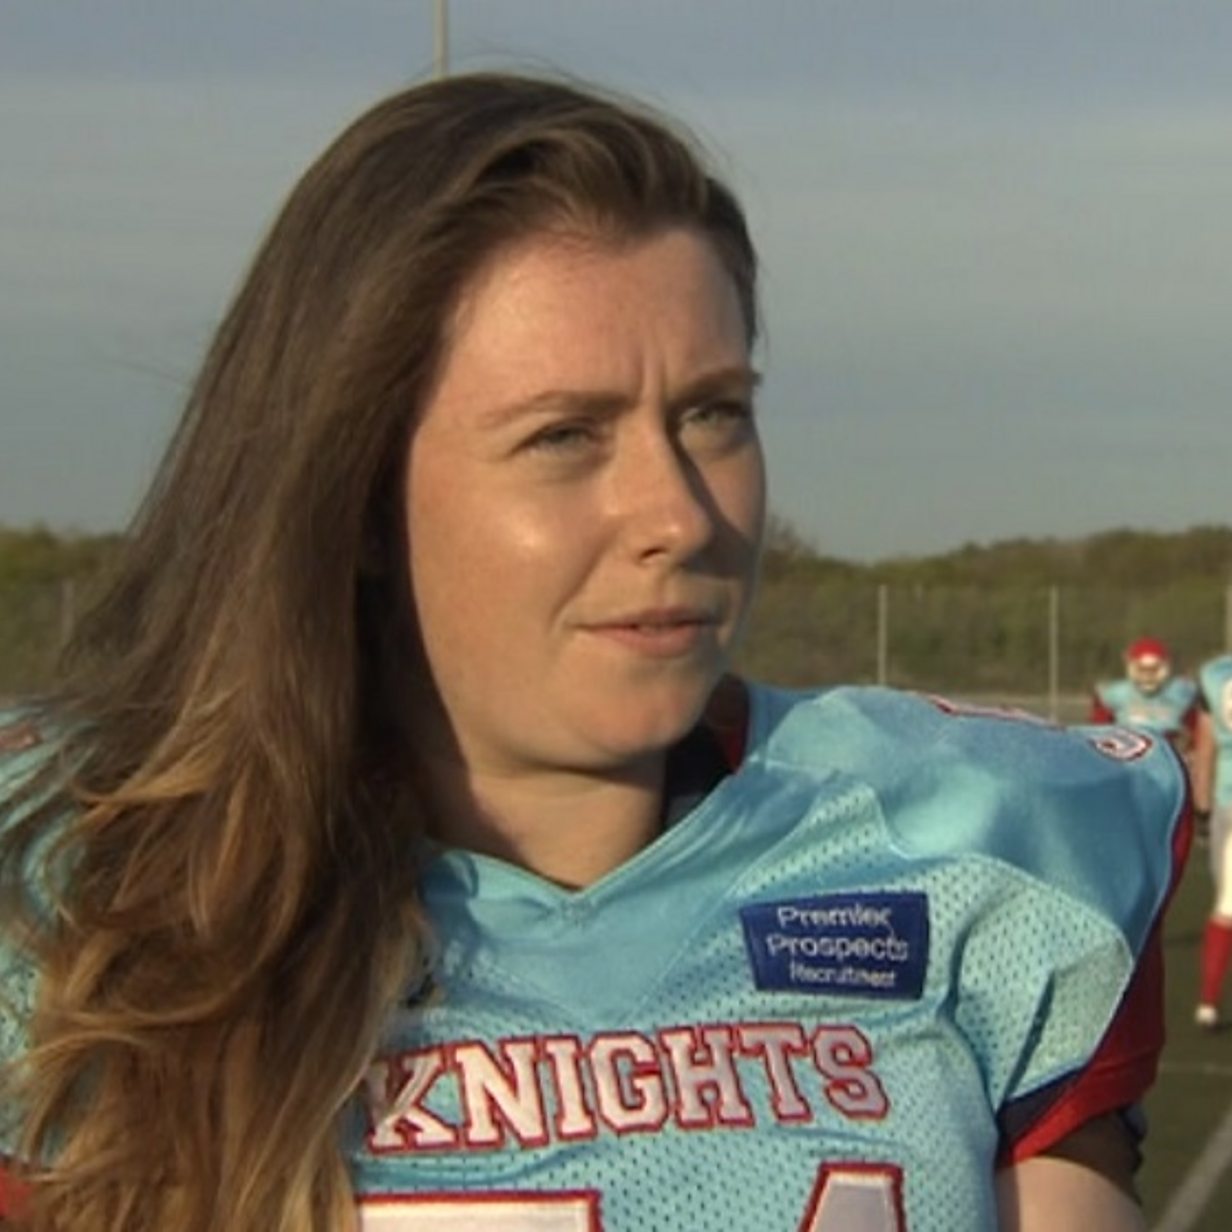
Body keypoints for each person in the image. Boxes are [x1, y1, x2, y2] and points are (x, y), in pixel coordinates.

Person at [0, 73, 1190, 1232]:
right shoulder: (99, 909)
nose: (676, 513)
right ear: (353, 496)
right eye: (564, 434)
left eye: (711, 412)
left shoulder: (972, 852)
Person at [1193, 651, 1232, 1027]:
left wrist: (1202, 810)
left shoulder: (1215, 675)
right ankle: (1207, 998)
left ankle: (1208, 1000)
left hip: (1227, 804)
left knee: (1228, 903)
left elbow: (1206, 750)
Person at [1090, 636, 1199, 755]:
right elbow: (1098, 731)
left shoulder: (1182, 693)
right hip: (1128, 756)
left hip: (1170, 757)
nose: (1148, 676)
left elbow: (1197, 731)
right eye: (1141, 669)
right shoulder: (1115, 694)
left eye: (1154, 670)